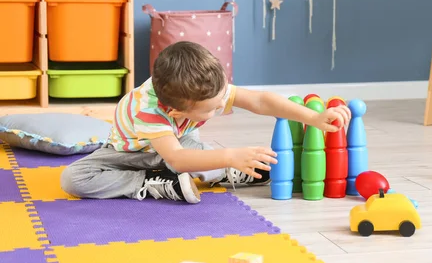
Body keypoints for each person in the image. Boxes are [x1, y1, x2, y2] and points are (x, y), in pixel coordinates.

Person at [60, 41, 351, 204]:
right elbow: (177, 157)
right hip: (130, 155)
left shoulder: (207, 90)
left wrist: (314, 117)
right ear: (174, 112)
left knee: (191, 151)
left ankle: (221, 171)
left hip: (180, 147)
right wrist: (229, 154)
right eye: (212, 109)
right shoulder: (147, 111)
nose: (222, 106)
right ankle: (153, 184)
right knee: (72, 179)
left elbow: (260, 101)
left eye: (221, 98)